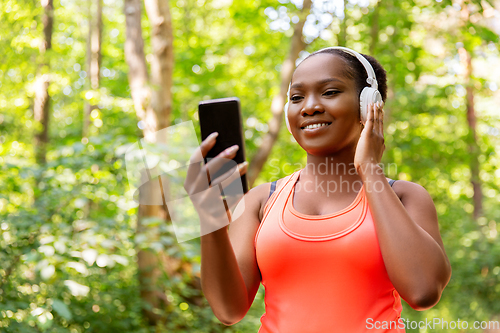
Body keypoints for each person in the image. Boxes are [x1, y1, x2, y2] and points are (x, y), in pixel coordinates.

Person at [185, 47, 452, 332]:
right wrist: (209, 216)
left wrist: (370, 169)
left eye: (329, 92)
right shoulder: (261, 200)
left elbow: (423, 291)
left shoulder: (404, 196)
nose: (308, 106)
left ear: (369, 105)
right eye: (296, 97)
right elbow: (228, 310)